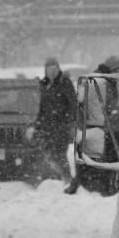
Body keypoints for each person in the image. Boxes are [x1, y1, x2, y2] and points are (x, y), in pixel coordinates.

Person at [65, 55, 119, 195]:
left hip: (101, 126)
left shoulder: (104, 79)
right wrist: (113, 113)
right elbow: (99, 107)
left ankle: (102, 185)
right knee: (108, 157)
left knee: (99, 158)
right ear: (112, 69)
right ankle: (106, 187)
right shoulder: (98, 82)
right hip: (100, 127)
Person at [35, 57, 77, 186]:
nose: (52, 72)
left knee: (60, 154)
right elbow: (40, 106)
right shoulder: (43, 85)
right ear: (45, 70)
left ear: (58, 69)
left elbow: (73, 105)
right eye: (49, 69)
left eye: (54, 68)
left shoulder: (65, 84)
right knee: (47, 155)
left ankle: (67, 178)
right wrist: (38, 123)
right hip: (46, 127)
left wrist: (70, 123)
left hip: (61, 126)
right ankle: (52, 179)